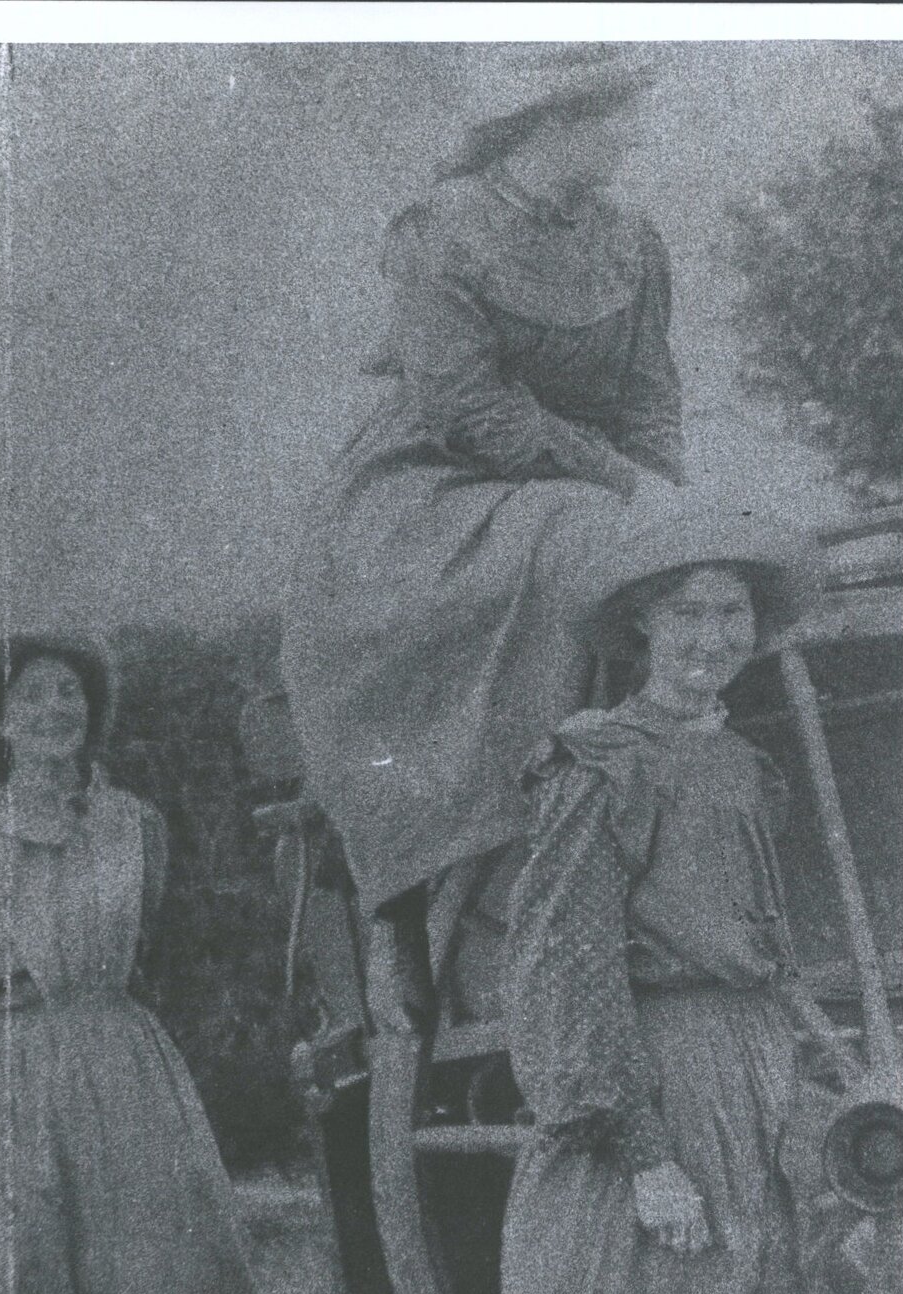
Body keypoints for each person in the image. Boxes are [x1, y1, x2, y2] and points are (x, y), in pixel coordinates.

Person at [280, 46, 681, 964]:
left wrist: (669, 498)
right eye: (619, 115)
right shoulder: (440, 232)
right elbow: (472, 409)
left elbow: (650, 395)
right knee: (583, 534)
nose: (634, 137)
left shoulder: (632, 242)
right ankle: (555, 811)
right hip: (431, 493)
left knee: (680, 545)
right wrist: (623, 485)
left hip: (581, 487)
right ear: (556, 120)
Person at [0, 636, 299, 1294]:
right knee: (17, 1278)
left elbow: (147, 942)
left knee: (160, 1270)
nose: (56, 709)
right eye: (32, 696)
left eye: (69, 692)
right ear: (1, 724)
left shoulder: (134, 825)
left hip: (125, 1066)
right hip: (10, 1070)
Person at [495, 498, 821, 1294]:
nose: (712, 638)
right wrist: (646, 1158)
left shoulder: (742, 763)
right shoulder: (600, 763)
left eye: (731, 612)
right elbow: (571, 964)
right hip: (657, 1081)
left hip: (745, 1077)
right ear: (642, 623)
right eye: (686, 613)